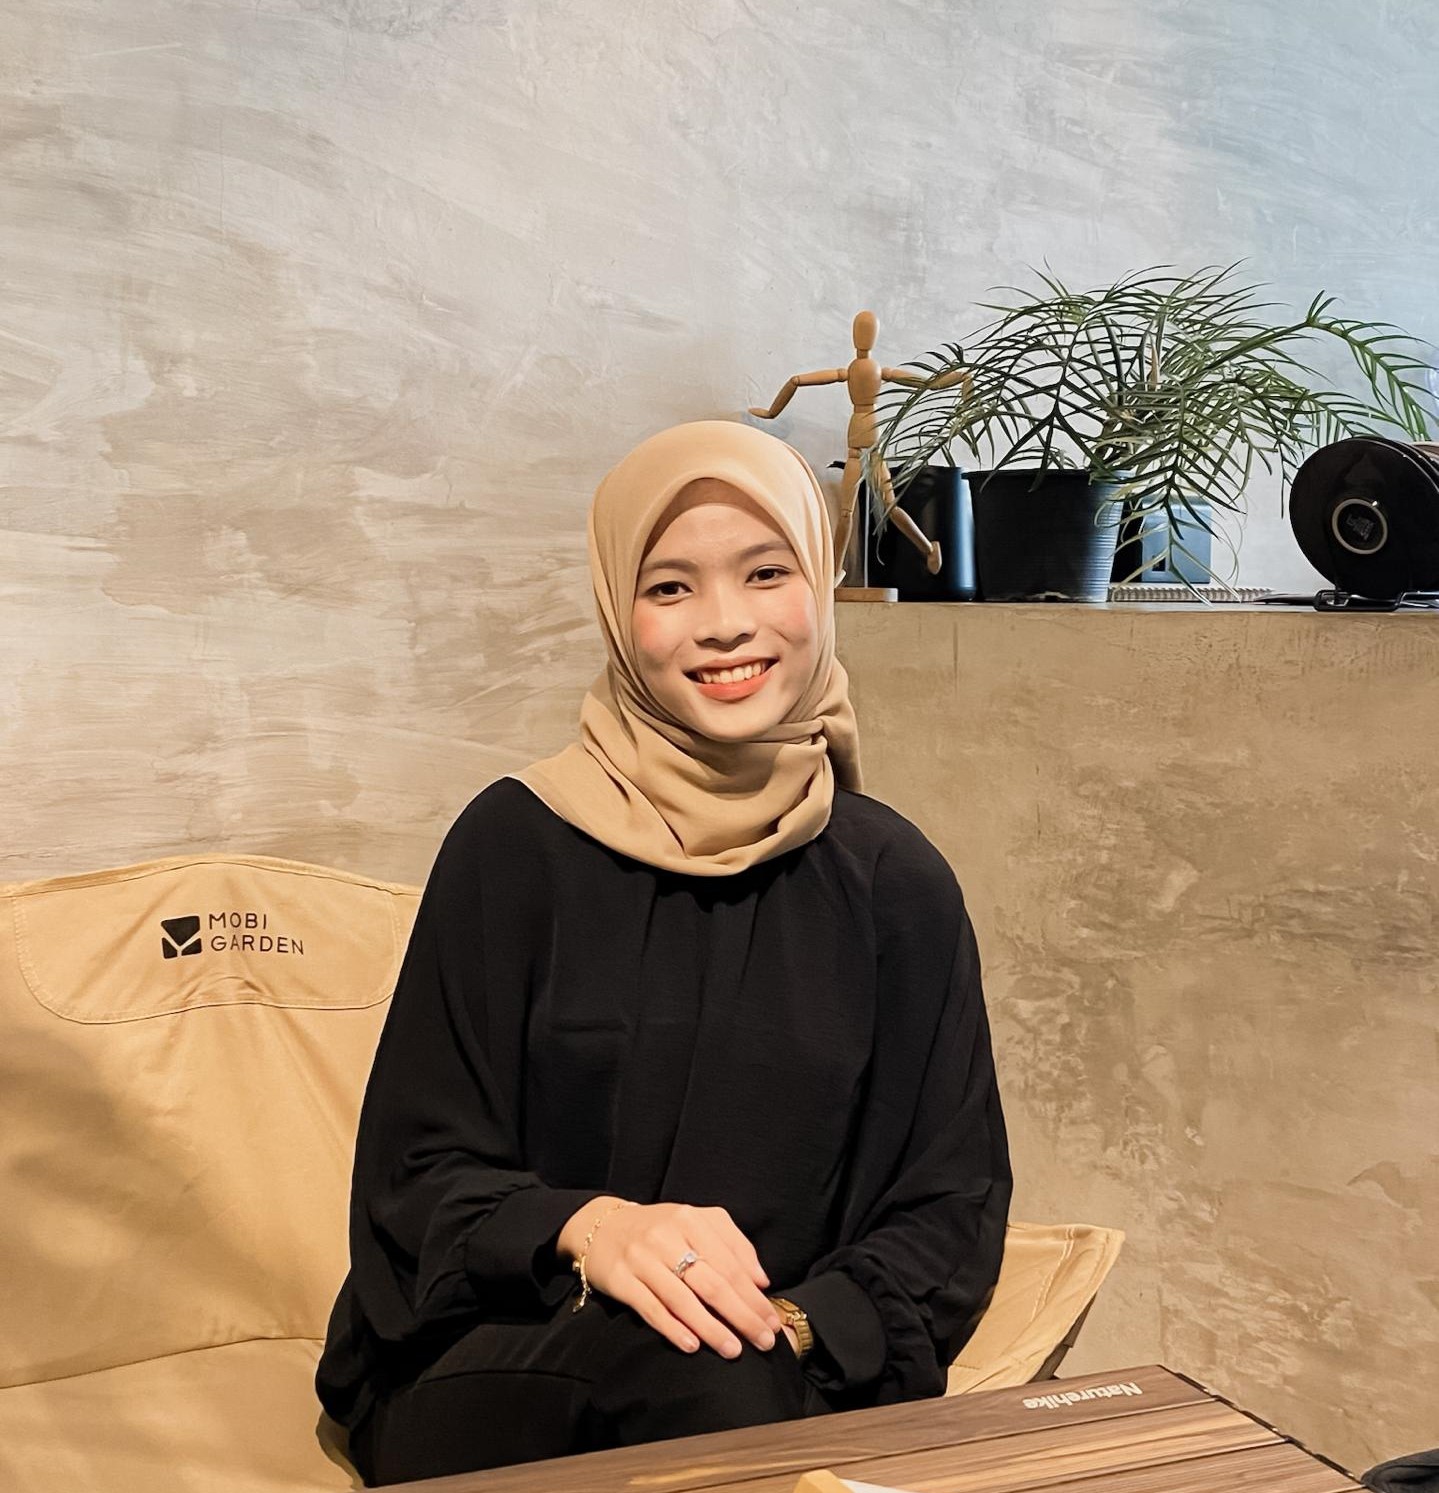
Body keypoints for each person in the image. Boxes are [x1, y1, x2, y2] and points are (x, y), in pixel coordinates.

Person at [315, 420, 1012, 1486]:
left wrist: (793, 1323)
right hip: (498, 1359)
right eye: (670, 587)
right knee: (699, 1363)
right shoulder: (514, 845)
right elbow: (414, 1178)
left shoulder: (893, 882)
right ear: (615, 606)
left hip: (780, 1364)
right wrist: (590, 1227)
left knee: (722, 1364)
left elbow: (948, 1203)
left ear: (818, 584)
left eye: (766, 572)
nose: (724, 623)